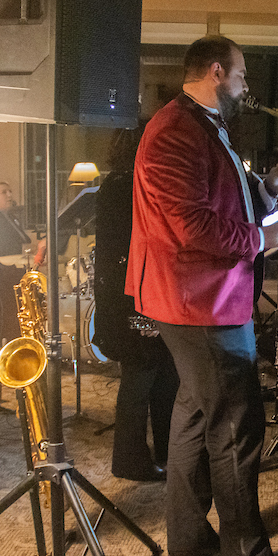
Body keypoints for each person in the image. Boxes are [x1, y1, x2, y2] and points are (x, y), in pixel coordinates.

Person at [126, 35, 278, 556]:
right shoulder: (174, 133)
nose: (247, 86)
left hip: (204, 297)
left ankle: (186, 537)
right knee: (236, 425)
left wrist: (267, 194)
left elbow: (212, 200)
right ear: (215, 71)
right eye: (242, 76)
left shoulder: (200, 124)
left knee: (193, 414)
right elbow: (192, 229)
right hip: (198, 302)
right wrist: (263, 235)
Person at [94, 124, 178, 483]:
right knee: (143, 377)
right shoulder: (133, 187)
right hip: (135, 298)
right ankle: (131, 459)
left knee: (158, 373)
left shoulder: (114, 184)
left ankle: (165, 452)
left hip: (125, 294)